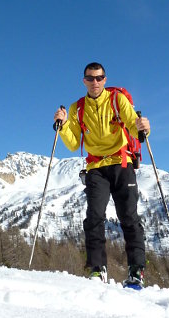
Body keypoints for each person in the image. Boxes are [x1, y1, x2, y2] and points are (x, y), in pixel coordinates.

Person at [53, 62, 150, 288]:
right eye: (90, 78)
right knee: (94, 216)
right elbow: (74, 142)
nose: (95, 82)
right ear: (84, 81)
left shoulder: (117, 100)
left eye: (99, 78)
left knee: (129, 217)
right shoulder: (77, 108)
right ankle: (98, 269)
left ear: (104, 79)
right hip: (96, 166)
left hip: (121, 162)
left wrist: (143, 127)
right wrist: (65, 124)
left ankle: (136, 270)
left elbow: (133, 124)